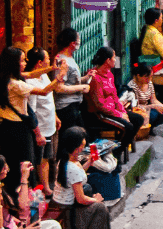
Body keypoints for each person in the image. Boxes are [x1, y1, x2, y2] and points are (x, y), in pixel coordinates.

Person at [0, 47, 63, 195]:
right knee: (25, 164)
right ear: (13, 63)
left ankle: (16, 196)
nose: (25, 63)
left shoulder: (5, 77)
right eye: (22, 60)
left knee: (13, 163)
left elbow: (30, 74)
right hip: (18, 130)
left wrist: (51, 68)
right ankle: (25, 197)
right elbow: (43, 91)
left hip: (6, 127)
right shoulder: (15, 84)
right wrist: (59, 77)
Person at [50, 127, 110, 229]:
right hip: (67, 209)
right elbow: (81, 199)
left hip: (61, 202)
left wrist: (89, 163)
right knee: (101, 208)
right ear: (76, 147)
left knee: (88, 189)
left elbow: (77, 176)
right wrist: (96, 200)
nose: (83, 148)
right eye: (82, 145)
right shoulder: (72, 167)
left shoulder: (65, 160)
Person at [86, 48, 144, 153]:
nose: (115, 60)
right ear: (107, 60)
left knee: (138, 119)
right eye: (114, 57)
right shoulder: (95, 78)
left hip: (112, 111)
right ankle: (117, 153)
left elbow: (115, 97)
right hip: (100, 114)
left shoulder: (109, 75)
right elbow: (100, 104)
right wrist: (119, 114)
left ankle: (118, 149)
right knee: (128, 127)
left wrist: (122, 112)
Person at [25, 48, 60, 196]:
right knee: (40, 159)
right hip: (40, 127)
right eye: (47, 58)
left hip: (49, 123)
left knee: (47, 156)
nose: (49, 60)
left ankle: (47, 185)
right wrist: (37, 132)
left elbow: (49, 98)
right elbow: (31, 110)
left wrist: (55, 116)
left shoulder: (44, 75)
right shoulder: (30, 82)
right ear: (40, 62)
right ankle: (43, 187)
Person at [53, 29, 94, 137]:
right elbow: (59, 88)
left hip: (74, 104)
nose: (79, 42)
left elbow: (71, 81)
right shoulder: (62, 60)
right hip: (66, 106)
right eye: (78, 39)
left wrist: (86, 77)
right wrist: (82, 87)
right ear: (73, 43)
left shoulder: (69, 57)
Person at [126, 63, 163, 129]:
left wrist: (162, 106)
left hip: (147, 108)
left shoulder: (149, 83)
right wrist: (153, 106)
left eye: (151, 76)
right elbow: (135, 107)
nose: (149, 79)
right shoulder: (132, 86)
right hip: (138, 110)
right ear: (138, 76)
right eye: (146, 77)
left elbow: (153, 99)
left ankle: (150, 128)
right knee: (153, 114)